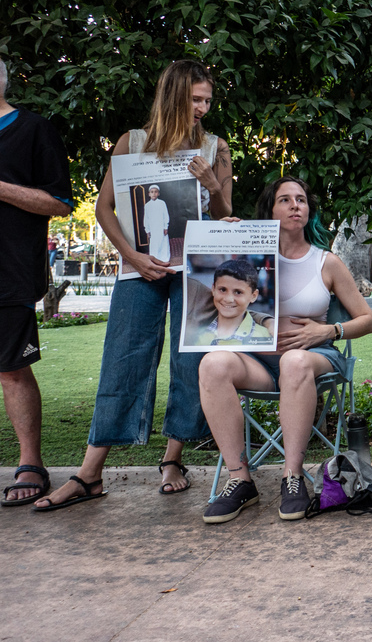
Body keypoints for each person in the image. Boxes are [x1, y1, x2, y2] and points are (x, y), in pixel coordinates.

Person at [35, 60, 233, 510]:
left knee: (190, 363)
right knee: (123, 359)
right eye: (195, 99)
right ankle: (89, 475)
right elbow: (104, 208)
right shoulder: (132, 143)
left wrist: (211, 185)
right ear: (173, 97)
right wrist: (131, 255)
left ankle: (173, 459)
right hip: (137, 267)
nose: (202, 108)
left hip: (195, 270)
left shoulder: (216, 148)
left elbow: (224, 215)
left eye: (207, 100)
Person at [200, 176, 372, 523]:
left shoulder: (325, 262)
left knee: (295, 361)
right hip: (259, 364)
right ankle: (240, 480)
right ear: (269, 210)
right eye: (285, 200)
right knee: (212, 364)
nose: (295, 205)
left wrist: (328, 330)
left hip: (315, 359)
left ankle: (292, 477)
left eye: (301, 200)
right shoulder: (247, 258)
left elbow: (368, 320)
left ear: (309, 211)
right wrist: (222, 236)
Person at [0, 57, 73, 508]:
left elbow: (60, 203)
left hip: (8, 272)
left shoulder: (33, 130)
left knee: (10, 369)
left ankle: (31, 464)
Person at [192, 258, 274, 346]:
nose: (228, 299)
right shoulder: (196, 335)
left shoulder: (264, 336)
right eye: (223, 290)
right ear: (213, 289)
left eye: (238, 292)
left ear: (253, 296)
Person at [142, 184, 172, 263]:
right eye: (152, 192)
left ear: (158, 193)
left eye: (155, 192)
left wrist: (166, 227)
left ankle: (164, 259)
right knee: (154, 244)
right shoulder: (147, 205)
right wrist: (147, 230)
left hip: (161, 227)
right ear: (149, 194)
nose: (154, 194)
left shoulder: (162, 203)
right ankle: (155, 259)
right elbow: (146, 218)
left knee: (163, 243)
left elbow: (166, 215)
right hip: (153, 229)